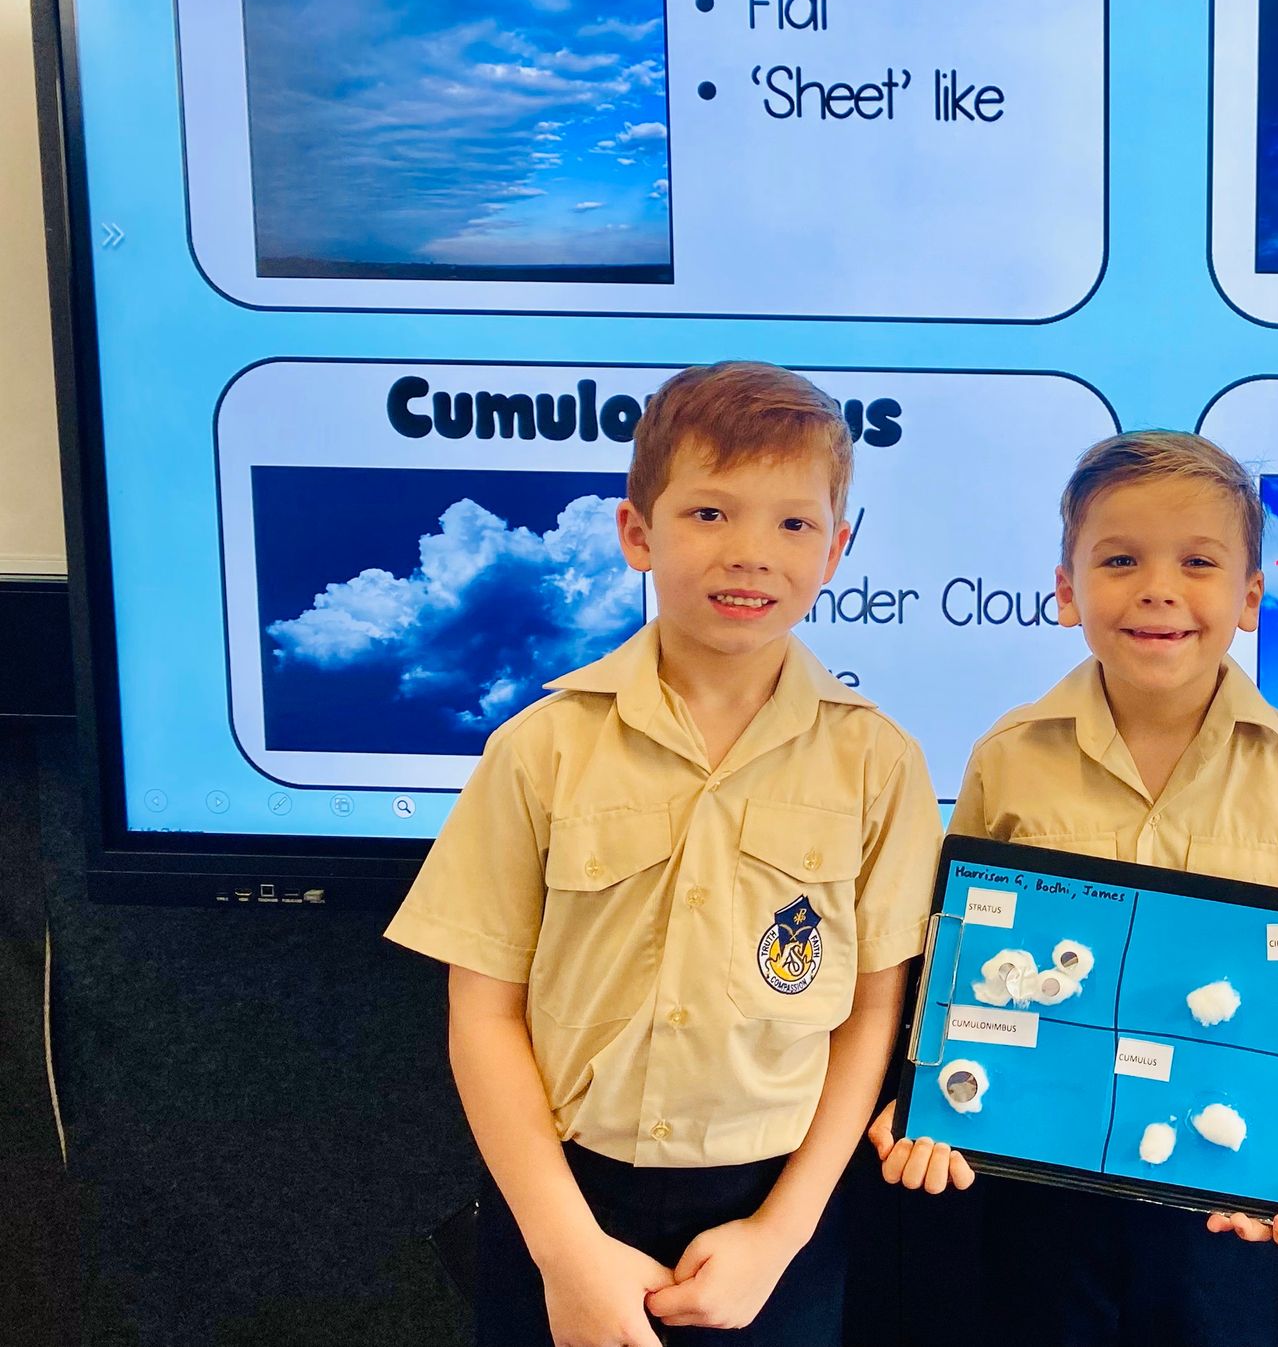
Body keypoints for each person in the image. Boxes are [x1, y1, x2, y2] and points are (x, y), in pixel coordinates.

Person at [386, 361, 939, 1347]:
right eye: (710, 513)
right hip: (562, 1199)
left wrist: (780, 1233)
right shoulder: (540, 748)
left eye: (793, 523)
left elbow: (871, 1016)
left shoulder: (879, 763)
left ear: (837, 548)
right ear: (637, 532)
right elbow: (483, 1012)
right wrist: (566, 1252)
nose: (751, 554)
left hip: (778, 1212)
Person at [869, 430, 1278, 1347]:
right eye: (1120, 560)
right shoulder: (1009, 757)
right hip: (1037, 1182)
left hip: (1223, 1193)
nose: (1158, 588)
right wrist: (926, 1095)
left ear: (1251, 596)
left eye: (1198, 561)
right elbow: (962, 950)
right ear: (1066, 590)